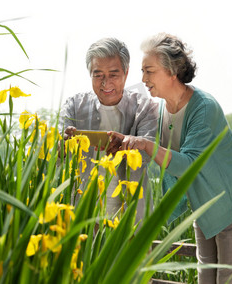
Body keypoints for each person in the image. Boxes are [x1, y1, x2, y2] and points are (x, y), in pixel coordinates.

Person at [108, 33, 232, 284]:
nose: (143, 78)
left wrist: (145, 144)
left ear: (172, 71)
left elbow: (188, 164)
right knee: (206, 278)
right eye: (142, 71)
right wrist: (126, 141)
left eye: (149, 71)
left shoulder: (204, 107)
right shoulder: (162, 109)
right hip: (203, 204)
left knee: (229, 280)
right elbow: (157, 151)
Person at [60, 37, 158, 222]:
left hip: (130, 216)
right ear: (90, 74)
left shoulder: (145, 107)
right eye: (98, 75)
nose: (106, 83)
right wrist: (63, 142)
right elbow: (55, 154)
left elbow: (148, 154)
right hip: (82, 215)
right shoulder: (74, 106)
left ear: (126, 73)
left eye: (113, 74)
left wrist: (128, 145)